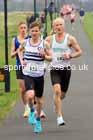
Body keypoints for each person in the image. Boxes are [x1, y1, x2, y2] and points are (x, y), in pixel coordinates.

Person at [46, 17, 82, 126]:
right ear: (53, 27)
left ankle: (57, 104)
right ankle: (59, 117)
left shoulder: (70, 39)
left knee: (62, 95)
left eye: (60, 24)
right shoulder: (49, 40)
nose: (59, 27)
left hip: (66, 70)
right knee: (57, 91)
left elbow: (79, 51)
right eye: (56, 25)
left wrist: (70, 55)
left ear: (64, 25)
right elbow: (43, 51)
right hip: (54, 69)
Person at [18, 21, 52, 133]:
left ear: (40, 31)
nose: (34, 32)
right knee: (30, 94)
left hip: (39, 75)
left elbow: (51, 58)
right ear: (29, 32)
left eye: (36, 30)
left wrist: (44, 55)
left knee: (40, 101)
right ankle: (31, 111)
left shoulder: (44, 44)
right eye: (32, 31)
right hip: (27, 74)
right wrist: (22, 59)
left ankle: (37, 121)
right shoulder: (25, 42)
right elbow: (19, 51)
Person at [11, 22, 30, 118]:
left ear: (27, 29)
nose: (23, 29)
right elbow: (11, 55)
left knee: (30, 88)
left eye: (24, 28)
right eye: (21, 28)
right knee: (23, 89)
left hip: (30, 66)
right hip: (19, 66)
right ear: (19, 29)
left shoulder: (30, 38)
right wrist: (18, 49)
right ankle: (26, 108)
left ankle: (32, 106)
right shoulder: (15, 40)